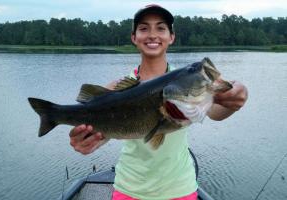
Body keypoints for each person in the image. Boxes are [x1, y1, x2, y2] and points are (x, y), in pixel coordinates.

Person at [69, 4, 248, 200]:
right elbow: (103, 133)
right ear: (134, 37)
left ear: (171, 37)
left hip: (180, 189)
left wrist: (236, 100)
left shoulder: (185, 83)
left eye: (161, 28)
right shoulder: (116, 88)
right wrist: (85, 142)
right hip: (129, 188)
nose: (152, 34)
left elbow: (216, 111)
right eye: (144, 28)